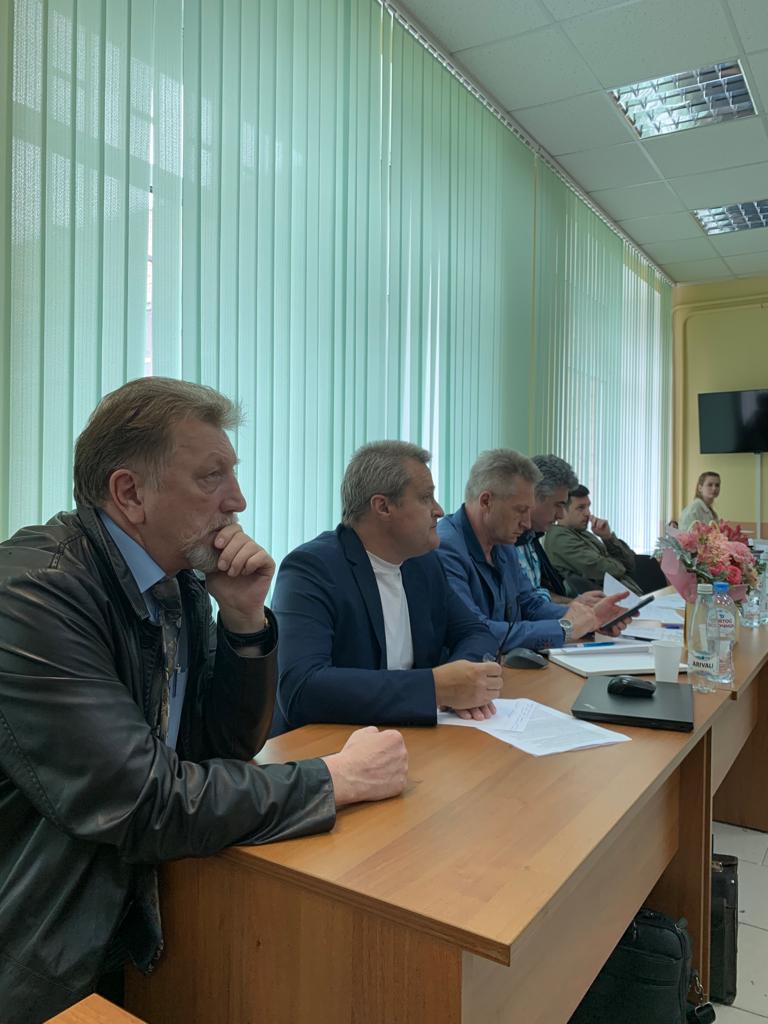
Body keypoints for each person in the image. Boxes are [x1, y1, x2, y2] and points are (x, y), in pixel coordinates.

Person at [0, 378, 408, 1024]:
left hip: (139, 909)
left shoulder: (178, 579)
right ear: (129, 494)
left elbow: (222, 747)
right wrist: (335, 779)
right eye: (211, 477)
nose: (237, 499)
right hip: (42, 955)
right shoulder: (33, 596)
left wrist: (244, 619)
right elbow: (143, 801)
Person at [272, 441, 502, 733]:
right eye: (426, 497)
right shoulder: (311, 568)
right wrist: (435, 688)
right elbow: (301, 688)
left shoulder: (423, 563)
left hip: (411, 733)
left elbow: (476, 632)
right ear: (383, 507)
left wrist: (461, 683)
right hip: (333, 744)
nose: (439, 510)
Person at [436, 450, 631, 652]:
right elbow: (476, 631)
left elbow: (529, 604)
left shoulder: (503, 542)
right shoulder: (445, 548)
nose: (527, 523)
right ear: (486, 501)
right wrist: (566, 628)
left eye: (529, 511)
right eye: (520, 510)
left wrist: (591, 618)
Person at [515, 454, 604, 607]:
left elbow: (535, 597)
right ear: (533, 497)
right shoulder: (506, 540)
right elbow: (524, 606)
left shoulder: (531, 539)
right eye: (558, 505)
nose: (561, 515)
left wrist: (576, 605)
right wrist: (573, 608)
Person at [543, 484, 643, 595]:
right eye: (581, 508)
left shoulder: (582, 533)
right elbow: (606, 571)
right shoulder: (560, 537)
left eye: (588, 506)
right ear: (563, 509)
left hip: (629, 595)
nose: (588, 513)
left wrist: (607, 537)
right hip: (605, 601)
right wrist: (617, 565)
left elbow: (630, 564)